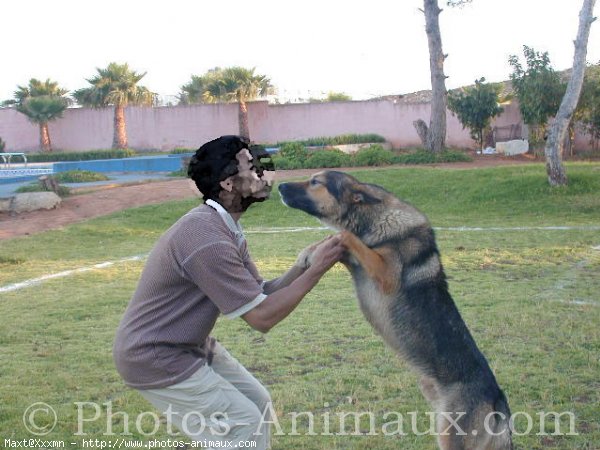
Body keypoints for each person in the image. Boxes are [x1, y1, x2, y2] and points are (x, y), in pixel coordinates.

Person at [113, 135, 344, 449]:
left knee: (257, 405)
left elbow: (259, 294)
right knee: (244, 426)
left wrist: (303, 264)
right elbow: (262, 317)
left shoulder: (222, 226)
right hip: (155, 355)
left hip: (187, 346)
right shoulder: (207, 238)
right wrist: (318, 270)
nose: (261, 173)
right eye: (250, 166)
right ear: (228, 184)